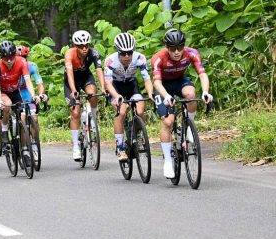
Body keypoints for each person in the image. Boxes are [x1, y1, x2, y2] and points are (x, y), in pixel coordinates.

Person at [151, 28, 213, 179]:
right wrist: (166, 96)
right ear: (167, 47)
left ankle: (189, 126)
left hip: (180, 81)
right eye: (173, 48)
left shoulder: (192, 53)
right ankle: (167, 161)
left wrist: (205, 92)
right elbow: (156, 82)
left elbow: (202, 74)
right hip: (162, 86)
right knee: (168, 121)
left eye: (180, 47)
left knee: (191, 95)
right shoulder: (158, 58)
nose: (177, 51)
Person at [104, 32, 154, 161]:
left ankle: (137, 133)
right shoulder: (110, 61)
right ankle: (120, 146)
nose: (127, 56)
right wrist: (116, 96)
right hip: (115, 87)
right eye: (123, 53)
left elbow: (147, 79)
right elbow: (108, 83)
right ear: (118, 52)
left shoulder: (140, 58)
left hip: (131, 85)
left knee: (140, 110)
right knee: (121, 112)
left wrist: (150, 93)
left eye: (129, 53)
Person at [64, 30, 105, 161]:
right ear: (75, 46)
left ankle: (93, 118)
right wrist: (73, 90)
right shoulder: (69, 54)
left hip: (86, 77)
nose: (84, 48)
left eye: (86, 45)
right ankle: (76, 146)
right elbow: (69, 73)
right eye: (81, 46)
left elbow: (99, 70)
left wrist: (103, 88)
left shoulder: (94, 53)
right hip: (71, 81)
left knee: (92, 93)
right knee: (75, 112)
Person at [0, 41, 38, 149]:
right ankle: (4, 130)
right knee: (7, 105)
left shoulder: (22, 62)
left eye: (11, 57)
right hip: (2, 92)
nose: (9, 61)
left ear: (15, 55)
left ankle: (23, 147)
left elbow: (28, 81)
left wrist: (33, 96)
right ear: (1, 57)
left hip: (15, 91)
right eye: (5, 58)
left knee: (23, 117)